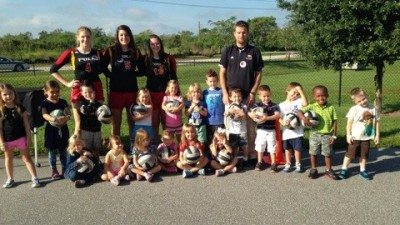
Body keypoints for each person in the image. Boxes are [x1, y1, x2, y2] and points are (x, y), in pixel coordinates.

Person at [50, 26, 108, 139]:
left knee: (95, 119)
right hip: (79, 88)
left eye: (88, 37)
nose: (85, 39)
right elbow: (53, 70)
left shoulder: (98, 53)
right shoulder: (71, 52)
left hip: (95, 87)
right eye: (82, 37)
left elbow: (104, 68)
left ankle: (94, 150)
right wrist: (67, 83)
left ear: (91, 38)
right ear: (77, 37)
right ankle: (77, 150)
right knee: (79, 124)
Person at [219, 20, 264, 161]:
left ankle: (249, 155)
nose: (241, 35)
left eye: (244, 32)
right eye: (238, 32)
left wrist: (253, 92)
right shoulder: (228, 50)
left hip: (247, 97)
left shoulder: (254, 51)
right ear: (234, 33)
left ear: (248, 33)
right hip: (232, 98)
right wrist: (225, 93)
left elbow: (259, 74)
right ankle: (231, 156)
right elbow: (222, 73)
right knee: (231, 127)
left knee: (249, 128)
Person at [103, 25, 145, 136]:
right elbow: (102, 66)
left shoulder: (135, 51)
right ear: (117, 36)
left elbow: (143, 70)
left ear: (130, 36)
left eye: (126, 35)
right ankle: (115, 146)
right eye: (121, 35)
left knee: (133, 120)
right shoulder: (111, 50)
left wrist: (131, 74)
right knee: (116, 123)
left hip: (132, 91)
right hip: (116, 91)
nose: (124, 37)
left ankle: (133, 147)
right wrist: (112, 75)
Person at [0, 83, 41, 188]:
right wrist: (1, 142)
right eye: (5, 94)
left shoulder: (20, 108)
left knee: (27, 158)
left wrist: (29, 138)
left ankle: (35, 178)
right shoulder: (1, 110)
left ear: (14, 94)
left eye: (10, 93)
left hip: (21, 138)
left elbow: (27, 125)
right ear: (1, 96)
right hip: (7, 140)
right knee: (8, 159)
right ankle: (10, 179)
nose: (8, 96)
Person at [338, 88, 380, 180]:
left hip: (367, 137)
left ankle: (362, 170)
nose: (362, 102)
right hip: (355, 137)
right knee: (349, 154)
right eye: (359, 101)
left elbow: (377, 122)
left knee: (364, 155)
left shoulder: (373, 108)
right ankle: (344, 169)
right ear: (355, 101)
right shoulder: (354, 109)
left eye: (364, 99)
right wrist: (348, 135)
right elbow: (349, 123)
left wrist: (377, 135)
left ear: (367, 96)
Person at [298, 85, 339, 180]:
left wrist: (334, 136)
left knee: (327, 154)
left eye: (323, 95)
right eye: (318, 96)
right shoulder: (312, 107)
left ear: (327, 95)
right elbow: (299, 111)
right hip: (314, 134)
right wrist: (304, 118)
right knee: (313, 153)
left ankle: (328, 170)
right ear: (314, 97)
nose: (321, 98)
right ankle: (313, 169)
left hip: (327, 135)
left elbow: (335, 122)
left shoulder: (331, 108)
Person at [145, 34, 177, 140]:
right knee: (154, 122)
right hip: (152, 93)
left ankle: (168, 144)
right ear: (149, 46)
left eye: (157, 43)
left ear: (161, 44)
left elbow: (173, 76)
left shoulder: (168, 58)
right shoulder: (146, 59)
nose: (155, 45)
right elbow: (139, 71)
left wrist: (175, 93)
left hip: (165, 94)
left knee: (166, 121)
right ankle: (154, 143)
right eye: (152, 44)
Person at [40, 80, 70, 180]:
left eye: (57, 91)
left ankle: (65, 169)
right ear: (46, 92)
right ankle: (54, 170)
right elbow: (44, 114)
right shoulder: (44, 103)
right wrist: (54, 119)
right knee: (52, 151)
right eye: (52, 92)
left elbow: (68, 113)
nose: (55, 94)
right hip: (51, 131)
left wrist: (66, 117)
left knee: (63, 150)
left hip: (63, 129)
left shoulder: (63, 102)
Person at [248, 85, 280, 172]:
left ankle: (273, 163)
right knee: (260, 146)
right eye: (264, 96)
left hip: (271, 130)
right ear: (259, 96)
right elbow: (249, 112)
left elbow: (277, 115)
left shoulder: (274, 105)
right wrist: (253, 115)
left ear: (270, 95)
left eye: (268, 96)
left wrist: (267, 118)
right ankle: (259, 162)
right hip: (261, 130)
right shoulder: (257, 105)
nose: (266, 98)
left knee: (272, 147)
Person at [279, 82, 308, 173]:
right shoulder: (282, 105)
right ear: (287, 91)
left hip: (297, 132)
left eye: (297, 94)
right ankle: (288, 163)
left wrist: (301, 91)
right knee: (287, 148)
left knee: (297, 148)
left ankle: (298, 164)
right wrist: (282, 122)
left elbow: (305, 103)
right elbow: (278, 117)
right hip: (287, 132)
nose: (295, 95)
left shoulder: (298, 102)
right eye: (294, 93)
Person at [75, 80, 103, 157]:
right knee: (87, 149)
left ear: (94, 92)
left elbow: (102, 113)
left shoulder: (97, 103)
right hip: (86, 130)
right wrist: (91, 101)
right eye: (85, 92)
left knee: (97, 149)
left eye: (90, 92)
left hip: (97, 129)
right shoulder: (81, 103)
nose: (88, 94)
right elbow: (87, 111)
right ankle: (88, 165)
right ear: (81, 93)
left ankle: (96, 164)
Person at [224, 89, 248, 165]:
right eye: (234, 97)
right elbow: (226, 114)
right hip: (232, 130)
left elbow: (243, 115)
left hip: (242, 130)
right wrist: (230, 112)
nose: (237, 98)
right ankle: (235, 160)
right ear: (230, 98)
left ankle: (246, 158)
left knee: (244, 145)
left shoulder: (244, 106)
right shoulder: (229, 106)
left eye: (239, 96)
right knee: (235, 146)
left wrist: (237, 112)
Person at [203, 69, 225, 147]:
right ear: (206, 81)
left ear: (217, 81)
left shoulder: (221, 91)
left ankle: (220, 156)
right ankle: (211, 155)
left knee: (220, 140)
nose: (212, 83)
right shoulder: (204, 93)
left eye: (214, 81)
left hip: (220, 121)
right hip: (209, 121)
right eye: (210, 81)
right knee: (210, 140)